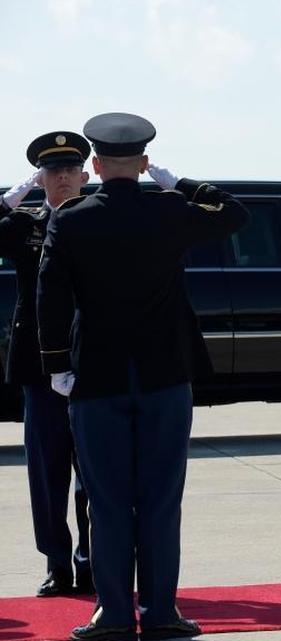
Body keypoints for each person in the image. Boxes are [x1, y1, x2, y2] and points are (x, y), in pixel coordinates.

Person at [37, 112, 249, 641]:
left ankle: (111, 613)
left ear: (95, 165)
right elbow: (233, 213)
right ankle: (159, 614)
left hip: (97, 378)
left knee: (107, 500)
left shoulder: (71, 218)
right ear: (145, 164)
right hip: (164, 376)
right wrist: (180, 184)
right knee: (159, 499)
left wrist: (58, 366)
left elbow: (51, 298)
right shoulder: (171, 211)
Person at [0, 131, 93, 597]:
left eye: (69, 169)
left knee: (93, 473)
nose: (61, 177)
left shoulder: (100, 223)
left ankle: (91, 558)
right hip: (38, 370)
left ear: (85, 174)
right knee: (47, 472)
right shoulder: (27, 226)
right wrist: (16, 194)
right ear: (41, 176)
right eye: (52, 170)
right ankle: (57, 562)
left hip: (94, 365)